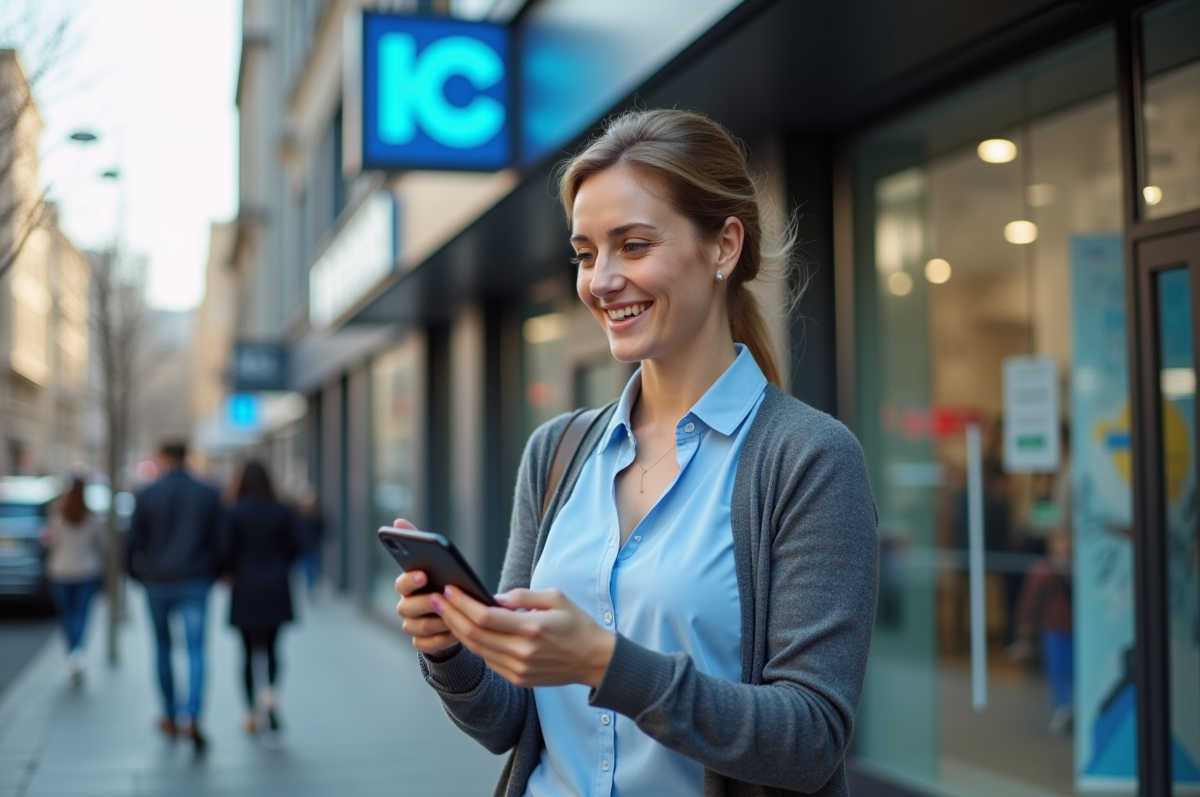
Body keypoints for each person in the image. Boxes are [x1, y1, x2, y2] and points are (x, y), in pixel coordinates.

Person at [394, 109, 878, 797]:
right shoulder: (556, 452)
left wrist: (603, 662)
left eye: (634, 245)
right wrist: (449, 646)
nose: (601, 280)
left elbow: (809, 740)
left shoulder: (807, 458)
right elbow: (508, 719)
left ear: (724, 247)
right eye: (587, 253)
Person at [125, 440, 223, 752]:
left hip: (158, 582)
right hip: (195, 580)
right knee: (196, 650)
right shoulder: (207, 492)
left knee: (162, 648)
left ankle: (169, 713)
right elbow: (221, 540)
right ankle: (192, 715)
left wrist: (137, 574)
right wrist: (213, 573)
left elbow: (133, 540)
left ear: (164, 458)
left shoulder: (149, 492)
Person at [220, 460, 304, 737]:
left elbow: (225, 550)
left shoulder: (234, 512)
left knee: (246, 653)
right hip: (275, 586)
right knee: (272, 649)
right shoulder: (282, 510)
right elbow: (297, 546)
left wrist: (230, 572)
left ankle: (249, 712)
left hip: (245, 588)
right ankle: (270, 696)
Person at [42, 476, 106, 687]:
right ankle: (78, 653)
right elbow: (103, 545)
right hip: (86, 572)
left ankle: (73, 653)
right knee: (81, 615)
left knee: (67, 616)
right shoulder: (93, 518)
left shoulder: (57, 517)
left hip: (61, 571)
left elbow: (51, 544)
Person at [1013, 531, 1074, 735]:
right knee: (1057, 669)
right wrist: (1026, 626)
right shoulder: (1043, 570)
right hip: (1054, 627)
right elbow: (1031, 601)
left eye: (1068, 541)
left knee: (1074, 670)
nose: (1065, 546)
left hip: (1076, 628)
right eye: (1061, 541)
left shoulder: (1080, 566)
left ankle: (1073, 708)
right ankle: (1062, 709)